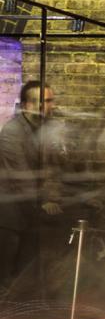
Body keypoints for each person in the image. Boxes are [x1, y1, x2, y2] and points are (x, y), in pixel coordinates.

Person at [0, 80, 60, 296]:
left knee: (23, 271)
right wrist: (45, 200)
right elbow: (21, 175)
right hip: (9, 212)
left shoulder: (43, 128)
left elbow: (52, 167)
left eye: (52, 100)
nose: (52, 106)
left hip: (27, 207)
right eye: (47, 101)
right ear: (28, 104)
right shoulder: (12, 132)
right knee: (7, 272)